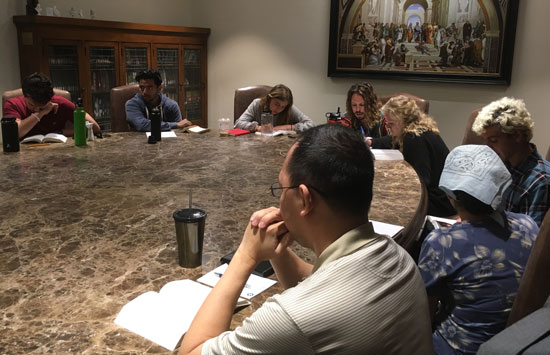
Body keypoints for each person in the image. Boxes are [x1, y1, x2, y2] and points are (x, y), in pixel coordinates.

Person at [178, 125, 433, 355]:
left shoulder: (291, 318)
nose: (279, 201)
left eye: (282, 189)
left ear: (304, 199)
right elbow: (319, 286)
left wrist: (246, 254)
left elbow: (190, 352)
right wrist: (277, 252)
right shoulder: (399, 258)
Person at [418, 144, 539, 355]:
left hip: (464, 347)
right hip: (519, 339)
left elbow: (424, 316)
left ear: (450, 195)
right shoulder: (528, 224)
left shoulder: (441, 242)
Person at [472, 97, 550, 226]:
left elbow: (532, 240)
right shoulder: (500, 165)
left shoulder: (541, 181)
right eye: (485, 141)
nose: (488, 147)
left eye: (493, 140)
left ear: (517, 136)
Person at [380, 95, 455, 217]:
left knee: (385, 200)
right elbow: (390, 140)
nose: (388, 128)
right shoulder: (421, 130)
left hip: (438, 202)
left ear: (401, 121)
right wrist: (371, 142)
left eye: (391, 124)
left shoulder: (413, 138)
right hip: (447, 197)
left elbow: (420, 181)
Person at [3, 72, 101, 139]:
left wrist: (62, 132)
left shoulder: (60, 102)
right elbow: (14, 132)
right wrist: (40, 113)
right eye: (32, 105)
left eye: (42, 106)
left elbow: (95, 127)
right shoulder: (12, 104)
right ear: (24, 96)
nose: (36, 109)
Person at [125, 69, 192, 131]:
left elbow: (179, 130)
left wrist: (177, 126)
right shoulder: (132, 104)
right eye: (142, 87)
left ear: (159, 88)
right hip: (140, 142)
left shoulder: (171, 105)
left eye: (149, 88)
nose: (144, 92)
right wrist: (175, 125)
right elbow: (141, 125)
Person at [234, 84, 313, 133]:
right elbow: (238, 123)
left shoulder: (288, 108)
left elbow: (311, 125)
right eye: (276, 104)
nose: (279, 109)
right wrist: (257, 127)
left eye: (283, 106)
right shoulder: (257, 104)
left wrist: (288, 127)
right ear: (269, 98)